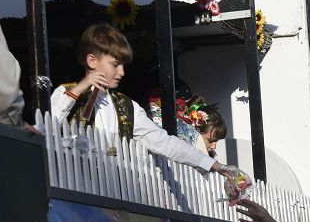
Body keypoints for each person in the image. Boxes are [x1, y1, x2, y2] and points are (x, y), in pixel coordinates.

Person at [47, 23, 232, 176]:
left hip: (113, 194)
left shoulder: (126, 107)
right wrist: (81, 87)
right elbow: (46, 128)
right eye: (115, 64)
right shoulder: (67, 93)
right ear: (92, 61)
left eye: (123, 66)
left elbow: (165, 142)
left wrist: (214, 165)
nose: (121, 72)